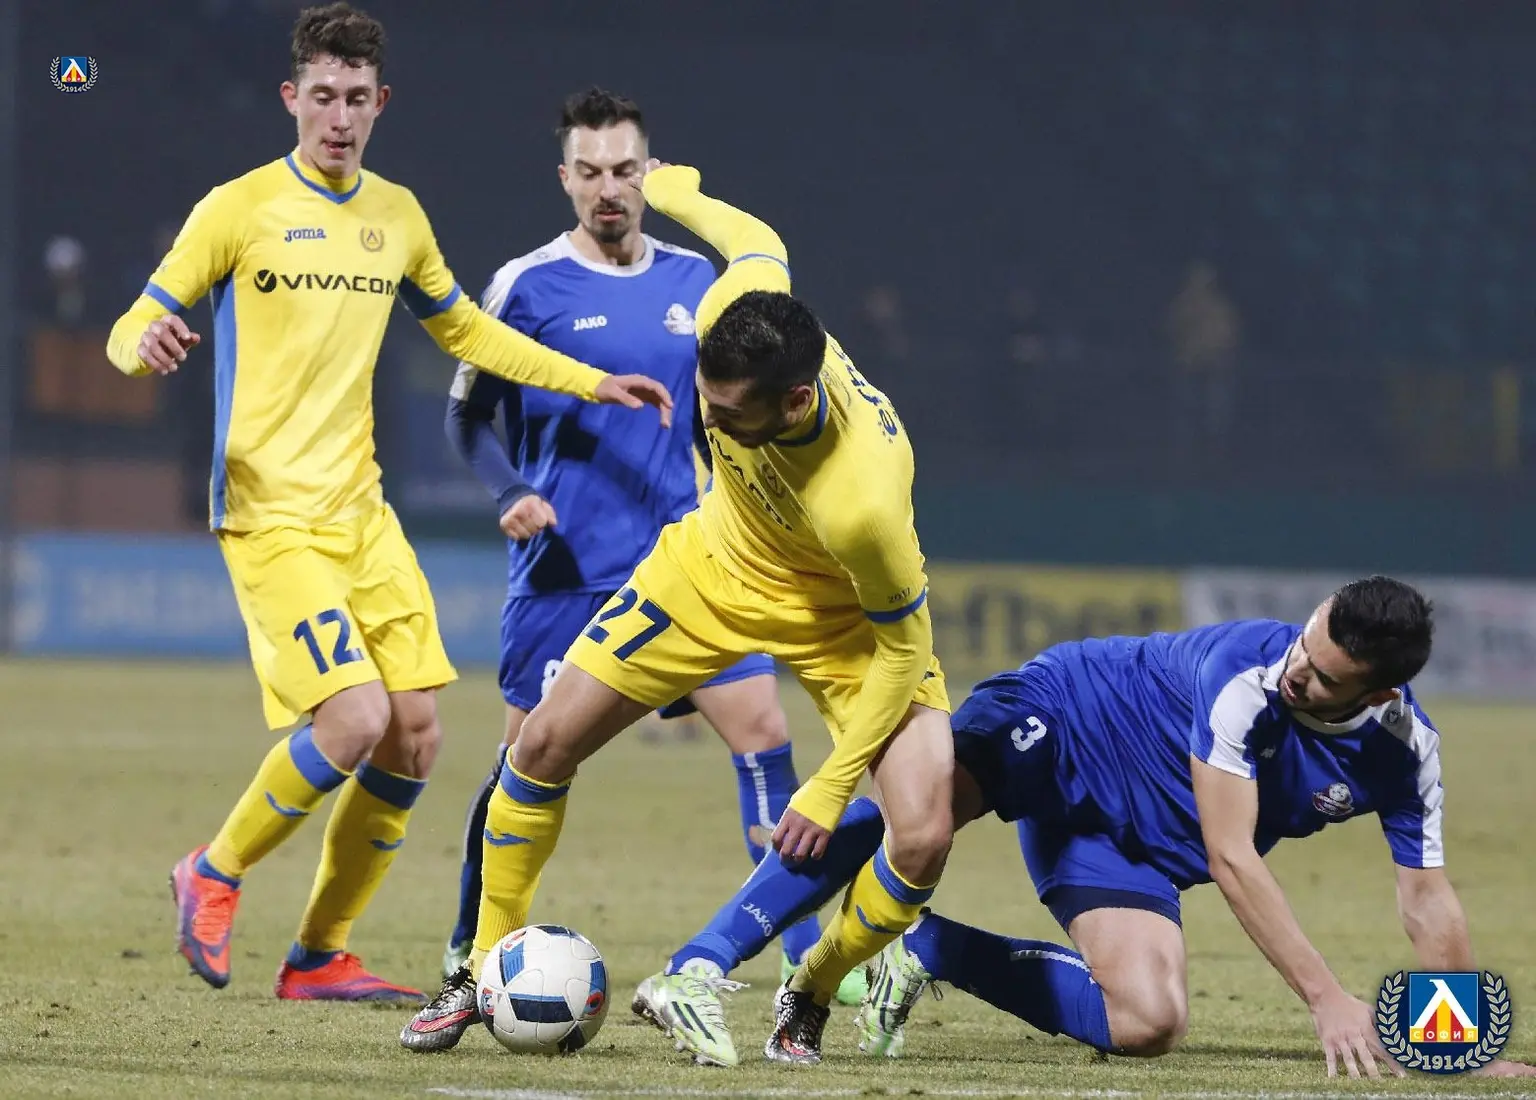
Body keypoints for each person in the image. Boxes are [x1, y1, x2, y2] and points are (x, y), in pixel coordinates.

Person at [104, 2, 671, 1003]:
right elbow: (133, 325)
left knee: (414, 732)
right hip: (271, 514)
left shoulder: (397, 216)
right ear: (291, 98)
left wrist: (589, 380)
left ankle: (319, 954)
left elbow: (466, 332)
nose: (338, 117)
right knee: (355, 717)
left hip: (362, 516)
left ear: (380, 103)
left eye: (356, 98)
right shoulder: (236, 208)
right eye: (322, 96)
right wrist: (143, 343)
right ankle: (214, 869)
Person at [401, 160, 954, 1063]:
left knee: (924, 834)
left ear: (797, 401)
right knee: (538, 746)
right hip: (710, 570)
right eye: (708, 397)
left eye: (730, 414)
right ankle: (481, 969)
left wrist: (830, 786)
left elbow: (904, 651)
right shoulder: (732, 317)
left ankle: (811, 987)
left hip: (844, 625)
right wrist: (674, 191)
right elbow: (758, 241)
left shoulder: (863, 504)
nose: (710, 419)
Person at [643, 577, 1535, 1078]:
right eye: (1306, 640)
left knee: (1150, 1021)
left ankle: (925, 951)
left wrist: (1455, 1045)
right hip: (1065, 718)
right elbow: (1231, 856)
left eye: (1323, 676)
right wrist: (1326, 998)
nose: (1296, 669)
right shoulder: (1246, 677)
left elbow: (1426, 896)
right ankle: (699, 965)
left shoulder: (1405, 751)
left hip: (1124, 846)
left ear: (1379, 692)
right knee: (919, 820)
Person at [439, 87, 864, 1007]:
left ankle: (795, 956)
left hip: (695, 567)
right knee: (528, 760)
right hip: (565, 572)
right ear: (564, 178)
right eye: (589, 171)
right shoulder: (525, 286)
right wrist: (511, 492)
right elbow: (466, 416)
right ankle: (472, 951)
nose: (608, 188)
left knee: (764, 736)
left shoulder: (697, 283)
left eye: (624, 170)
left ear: (649, 172)